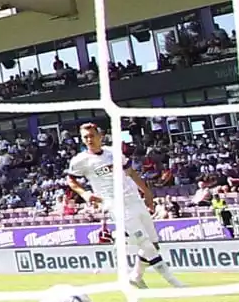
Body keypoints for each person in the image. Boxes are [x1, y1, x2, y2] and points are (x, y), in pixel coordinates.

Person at [66, 123, 184, 289]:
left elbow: (131, 172)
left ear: (100, 136)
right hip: (115, 204)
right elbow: (71, 180)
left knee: (154, 244)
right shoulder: (80, 161)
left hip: (134, 199)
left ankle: (135, 276)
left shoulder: (113, 152)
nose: (89, 140)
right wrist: (85, 194)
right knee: (145, 243)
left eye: (92, 136)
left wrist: (147, 192)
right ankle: (175, 283)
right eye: (85, 137)